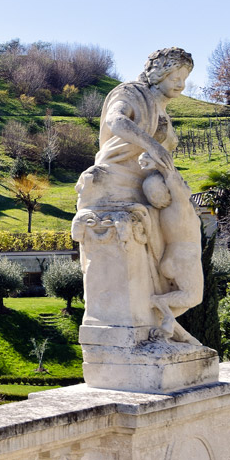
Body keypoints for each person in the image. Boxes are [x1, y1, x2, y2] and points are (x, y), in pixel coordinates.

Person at [75, 47, 202, 343]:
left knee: (163, 264)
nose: (181, 83)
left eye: (184, 77)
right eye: (175, 75)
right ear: (159, 72)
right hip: (114, 181)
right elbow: (116, 122)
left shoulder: (162, 112)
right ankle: (126, 332)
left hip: (146, 189)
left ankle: (156, 325)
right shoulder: (131, 93)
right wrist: (154, 146)